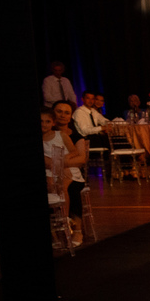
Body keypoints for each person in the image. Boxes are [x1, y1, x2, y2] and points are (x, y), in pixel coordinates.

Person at [51, 100, 89, 247]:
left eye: (66, 113)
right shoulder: (47, 134)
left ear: (70, 116)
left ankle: (77, 229)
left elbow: (81, 159)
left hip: (72, 173)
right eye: (59, 111)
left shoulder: (76, 136)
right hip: (51, 173)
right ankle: (56, 231)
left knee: (72, 189)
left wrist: (59, 164)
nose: (62, 115)